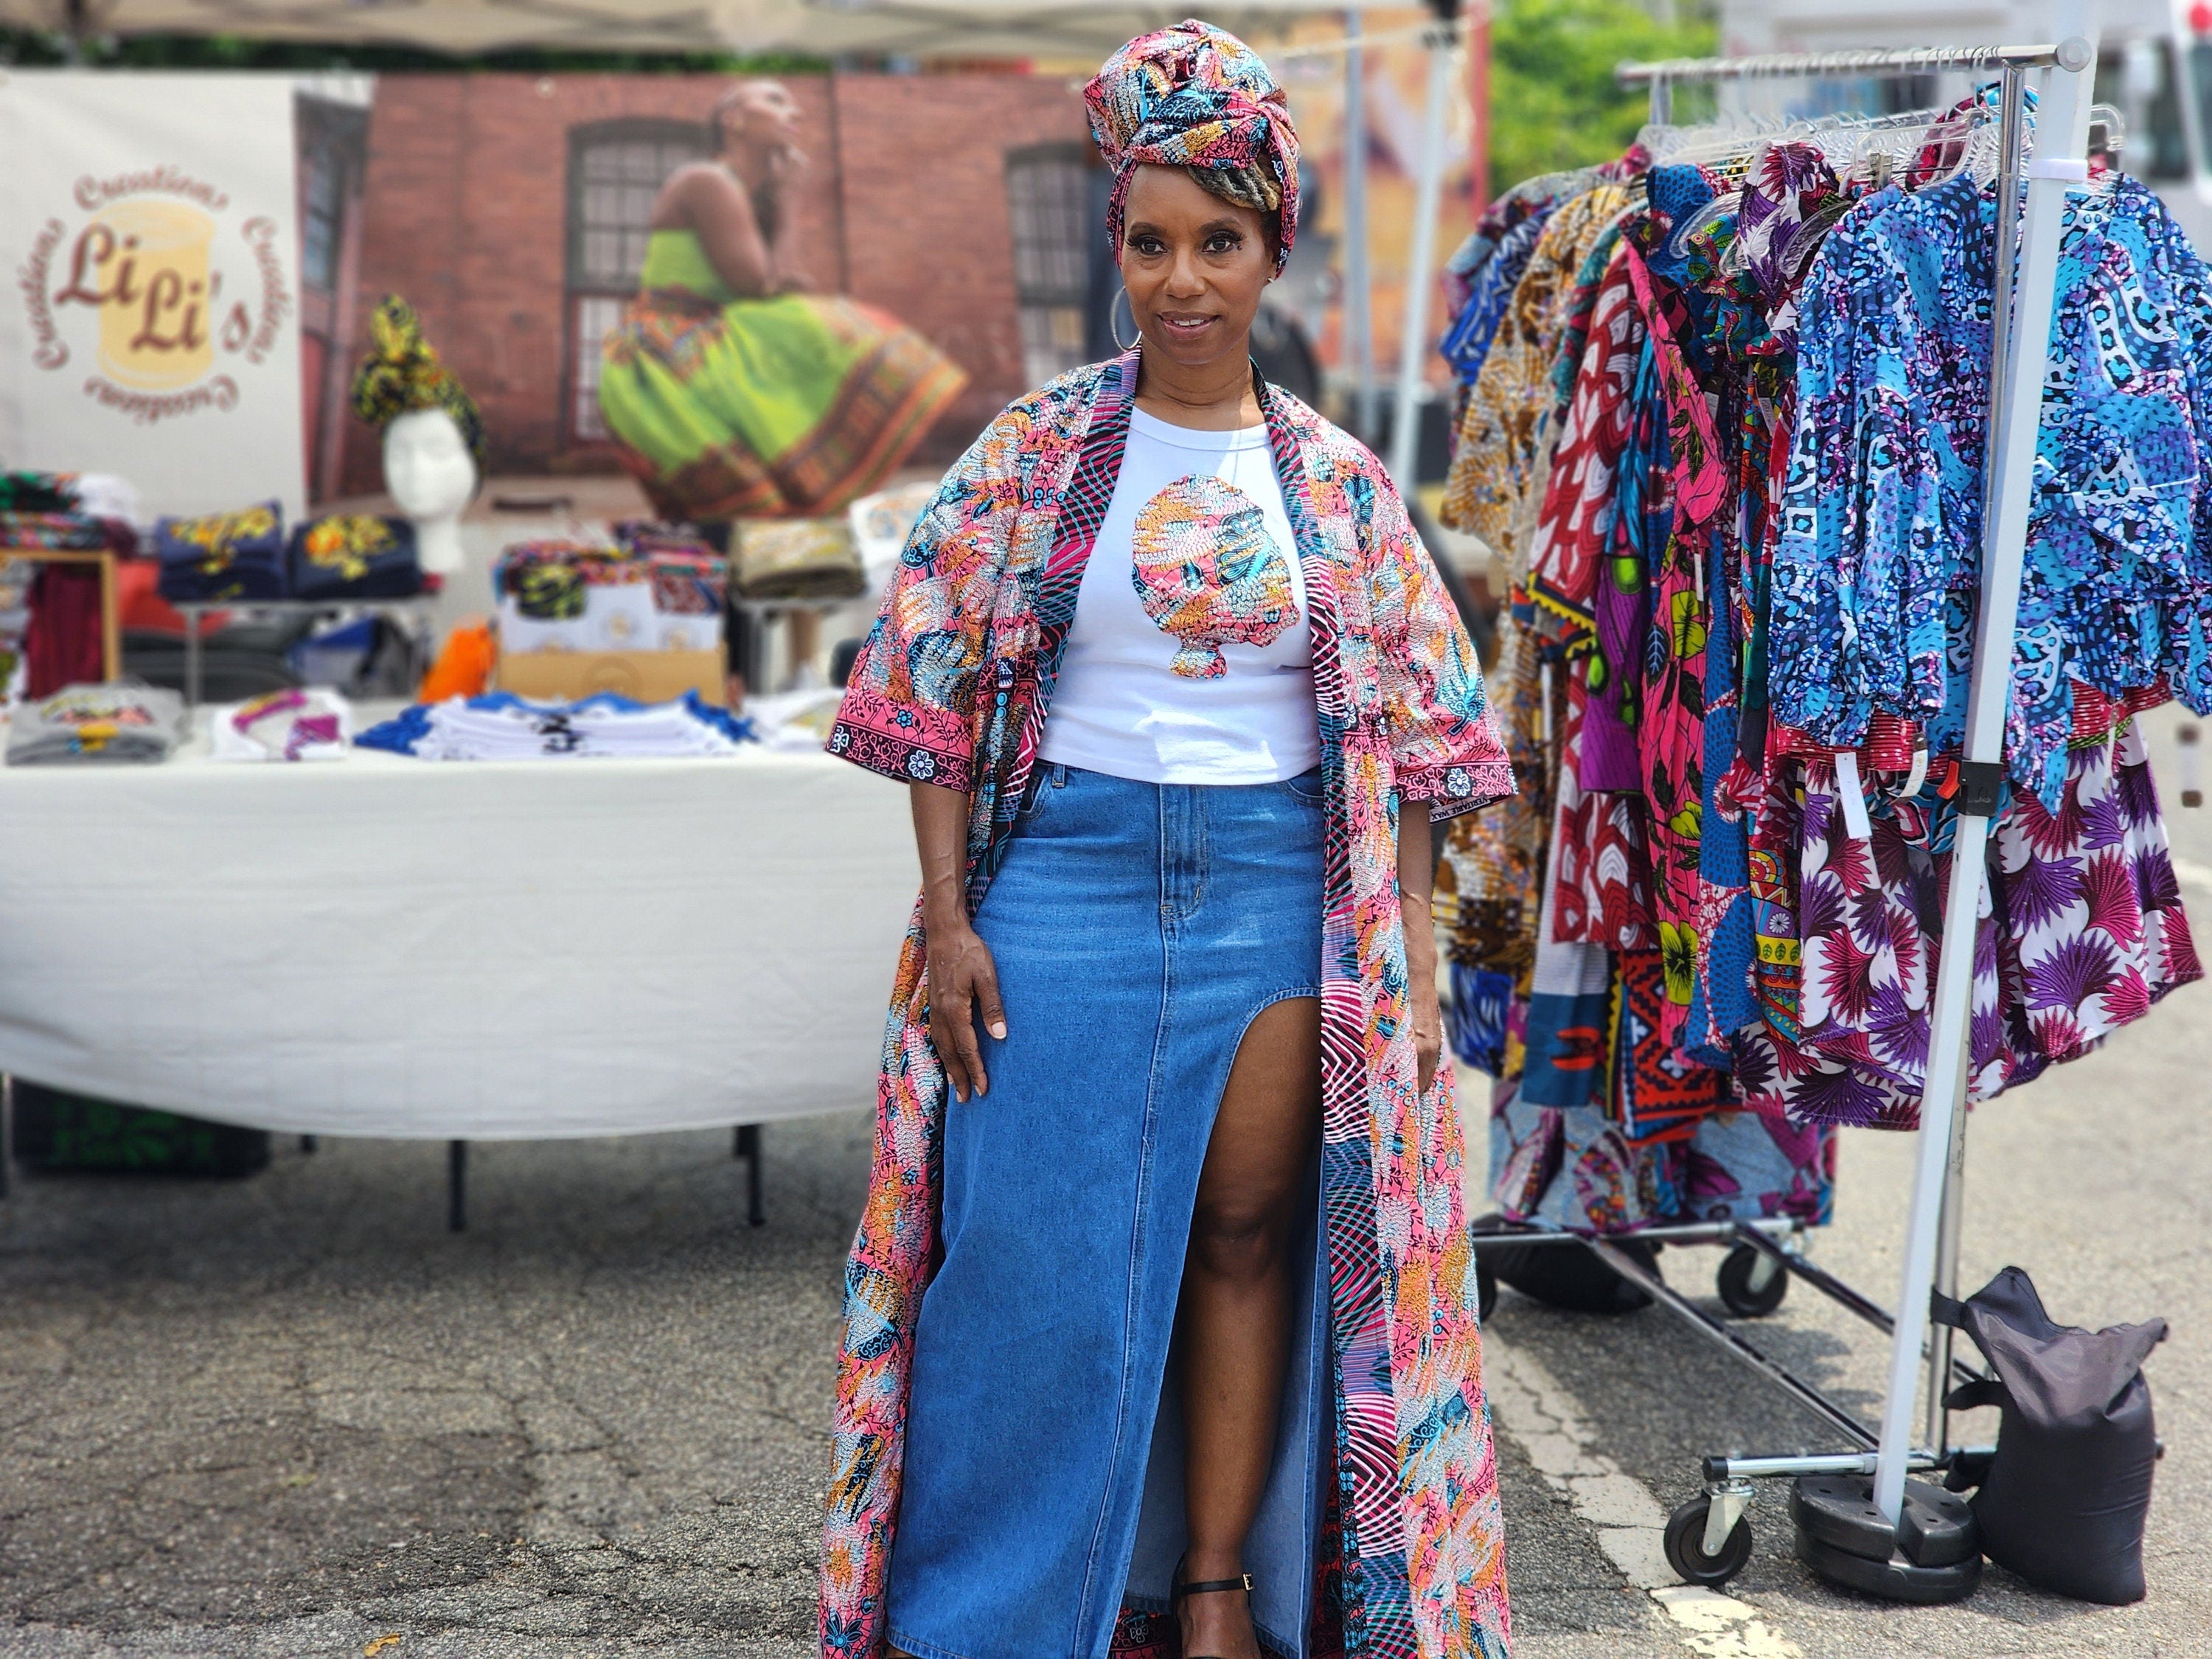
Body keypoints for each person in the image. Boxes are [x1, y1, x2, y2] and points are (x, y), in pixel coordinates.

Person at [819, 24, 1516, 1659]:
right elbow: (927, 685)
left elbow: (1426, 738)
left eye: (1219, 242)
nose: (1183, 278)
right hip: (1059, 883)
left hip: (1278, 895)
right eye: (1151, 243)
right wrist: (948, 918)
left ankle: (1212, 1593)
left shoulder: (1340, 490)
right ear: (1116, 250)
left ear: (1275, 252)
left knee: (1250, 1236)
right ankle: (987, 1621)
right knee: (1030, 1261)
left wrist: (1405, 957)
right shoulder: (1036, 453)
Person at [597, 80, 969, 525]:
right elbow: (762, 285)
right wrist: (792, 199)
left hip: (705, 344)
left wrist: (783, 203)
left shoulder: (747, 194)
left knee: (809, 324)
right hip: (664, 357)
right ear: (732, 120)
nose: (795, 113)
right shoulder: (707, 181)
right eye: (775, 101)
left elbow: (786, 281)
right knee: (822, 326)